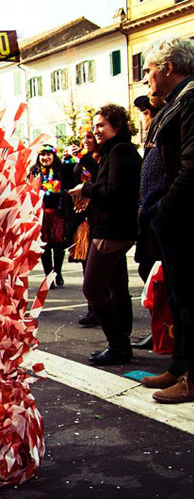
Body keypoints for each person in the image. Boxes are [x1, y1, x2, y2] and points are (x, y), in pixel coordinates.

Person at [137, 37, 194, 402]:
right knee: (178, 296)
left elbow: (191, 166)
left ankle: (192, 377)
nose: (146, 78)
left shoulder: (190, 100)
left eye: (149, 70)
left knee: (190, 300)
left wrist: (164, 209)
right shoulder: (178, 100)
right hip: (172, 220)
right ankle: (179, 366)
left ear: (169, 68)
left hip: (183, 219)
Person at [69, 105, 141, 366]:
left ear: (117, 126)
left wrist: (86, 189)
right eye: (95, 125)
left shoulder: (120, 152)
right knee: (117, 286)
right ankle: (122, 339)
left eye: (101, 125)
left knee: (93, 288)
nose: (96, 130)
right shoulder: (116, 151)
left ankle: (118, 344)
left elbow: (115, 191)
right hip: (114, 228)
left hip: (112, 230)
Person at [132, 95, 165, 351]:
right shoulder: (151, 136)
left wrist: (158, 208)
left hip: (159, 214)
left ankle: (164, 332)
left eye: (146, 110)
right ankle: (159, 329)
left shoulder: (163, 130)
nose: (144, 116)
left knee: (158, 276)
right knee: (148, 271)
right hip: (149, 215)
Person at [66, 127, 100, 327]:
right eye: (84, 137)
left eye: (90, 136)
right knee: (86, 265)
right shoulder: (82, 159)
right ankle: (93, 309)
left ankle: (99, 309)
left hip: (96, 217)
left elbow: (96, 178)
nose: (86, 140)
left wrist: (81, 157)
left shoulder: (98, 159)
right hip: (81, 218)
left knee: (96, 268)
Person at [30, 145, 71, 288]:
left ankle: (57, 272)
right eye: (42, 155)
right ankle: (48, 275)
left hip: (57, 214)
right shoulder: (34, 172)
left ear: (54, 156)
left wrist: (72, 156)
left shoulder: (61, 170)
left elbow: (74, 171)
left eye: (48, 155)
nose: (45, 158)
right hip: (41, 214)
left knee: (59, 246)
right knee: (44, 247)